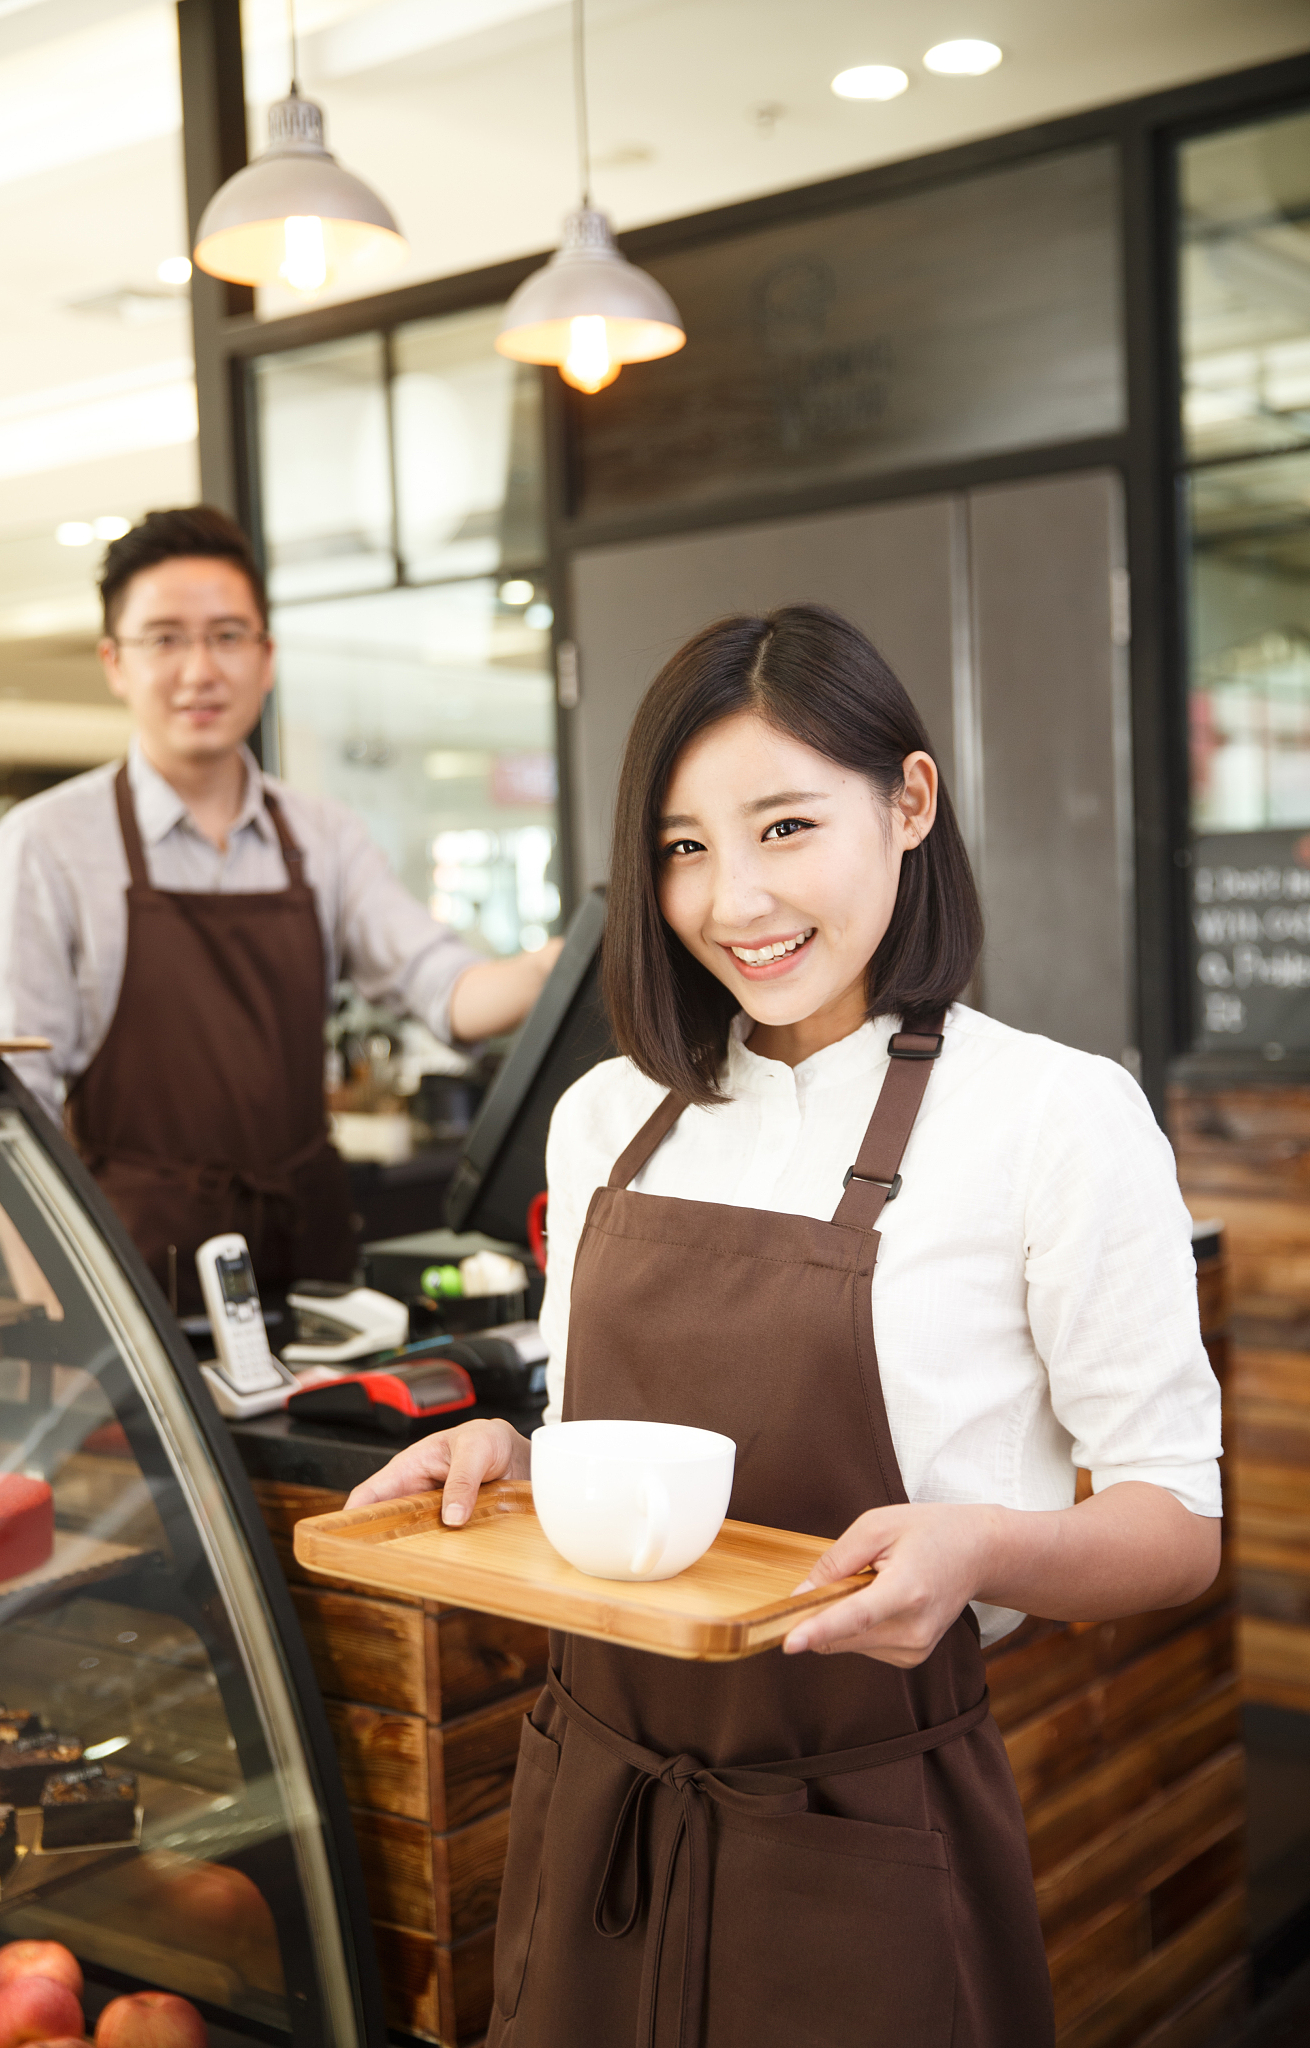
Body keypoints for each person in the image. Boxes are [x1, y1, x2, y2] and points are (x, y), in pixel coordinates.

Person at [347, 604, 1223, 2045]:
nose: (733, 900)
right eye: (684, 848)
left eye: (785, 827)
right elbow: (598, 1434)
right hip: (598, 1813)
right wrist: (515, 1458)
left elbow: (1174, 1523)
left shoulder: (1051, 1118)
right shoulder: (607, 1117)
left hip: (870, 1832)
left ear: (910, 802)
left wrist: (984, 1544)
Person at [0, 506, 561, 1311]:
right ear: (114, 662)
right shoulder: (45, 844)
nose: (200, 670)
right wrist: (59, 1312)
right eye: (165, 638)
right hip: (139, 1281)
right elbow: (11, 1100)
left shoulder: (322, 835)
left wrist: (572, 959)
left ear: (266, 657)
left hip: (312, 1269)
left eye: (228, 635)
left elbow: (445, 987)